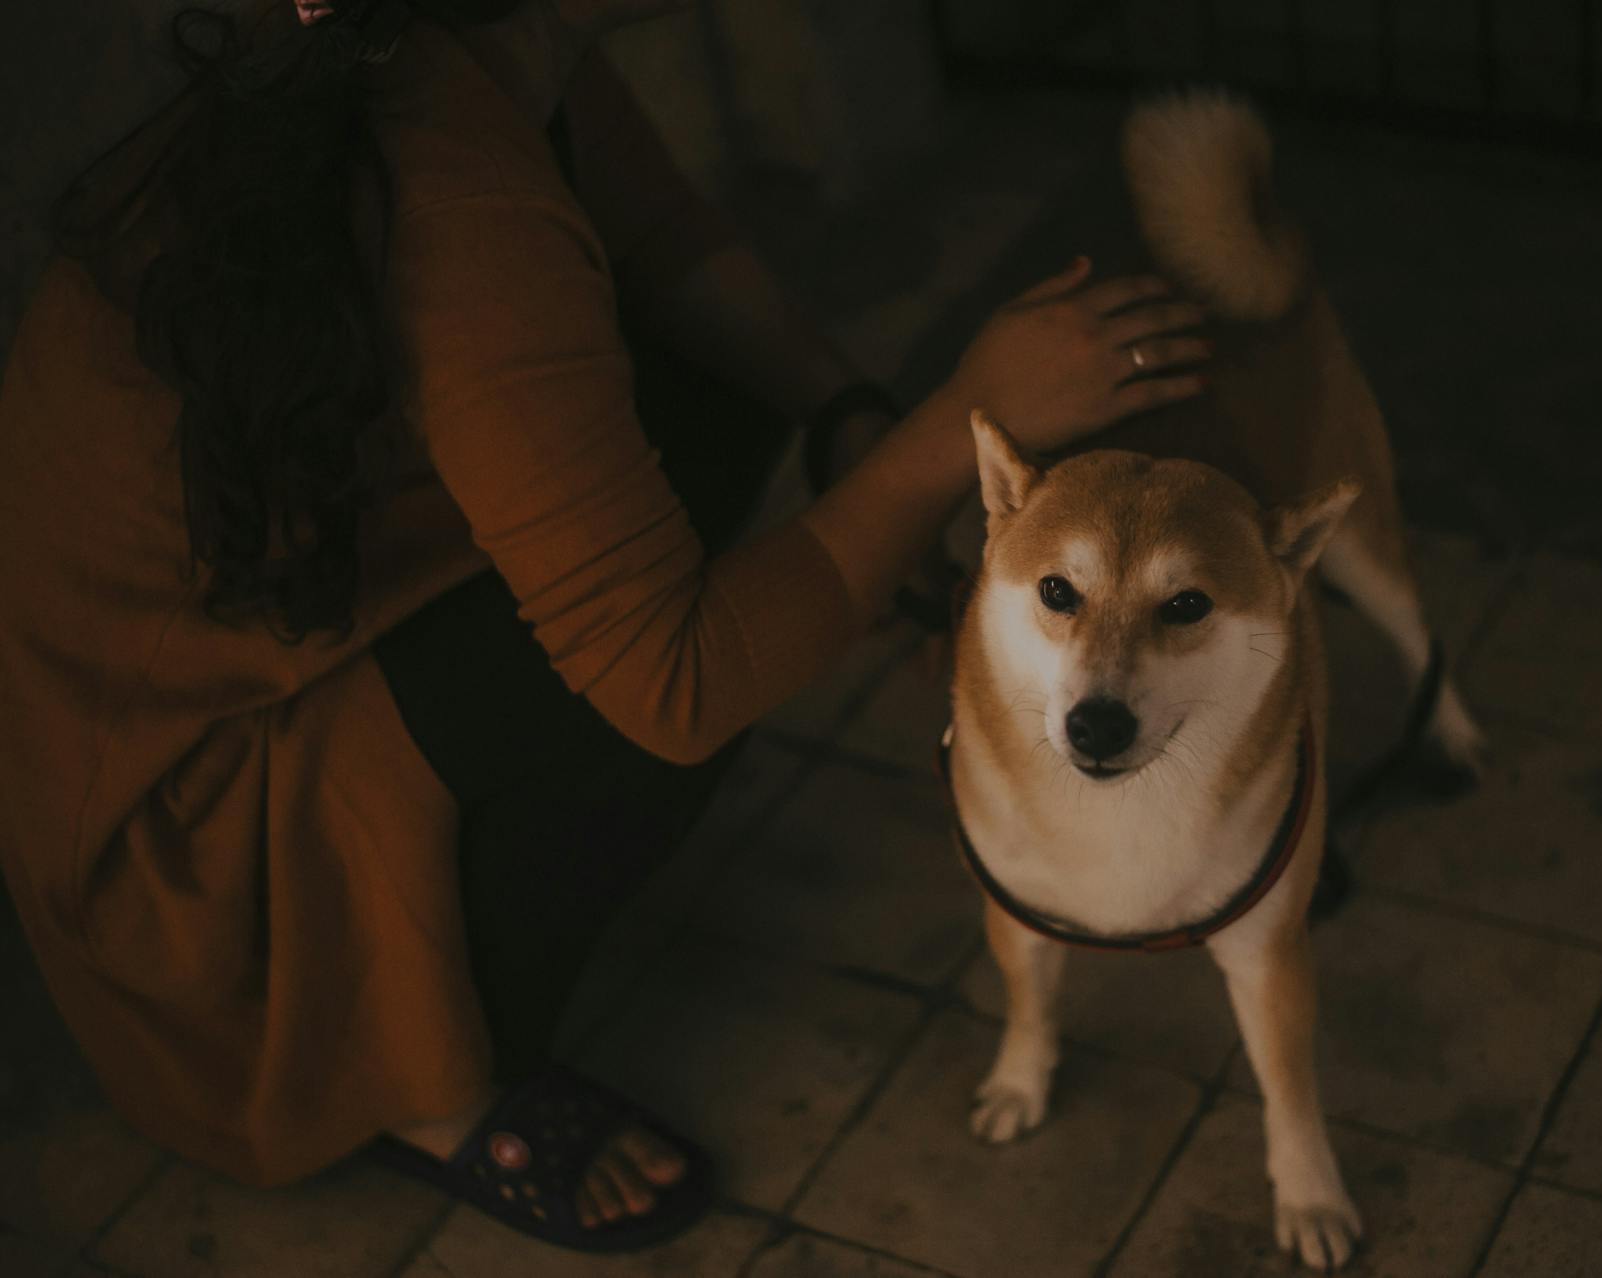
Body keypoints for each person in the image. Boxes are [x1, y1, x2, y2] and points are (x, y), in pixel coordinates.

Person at [0, 0, 1210, 1251]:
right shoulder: (459, 200)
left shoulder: (481, 51)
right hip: (186, 826)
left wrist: (848, 412)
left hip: (275, 635)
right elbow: (677, 679)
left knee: (719, 426)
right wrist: (963, 416)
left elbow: (666, 242)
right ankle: (438, 1088)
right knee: (684, 678)